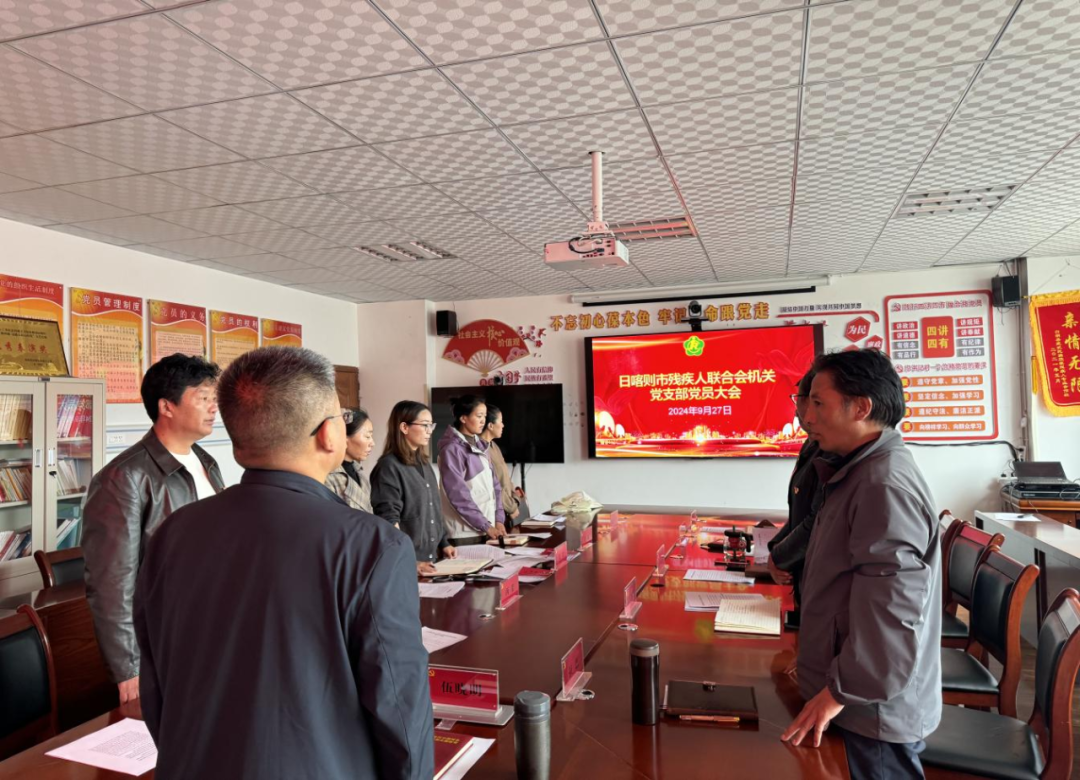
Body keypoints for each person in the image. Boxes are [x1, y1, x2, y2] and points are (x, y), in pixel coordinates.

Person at [134, 346, 433, 780]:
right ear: (328, 435)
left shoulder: (173, 533)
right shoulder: (372, 545)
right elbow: (400, 712)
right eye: (342, 415)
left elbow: (157, 688)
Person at [781, 349, 941, 780]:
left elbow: (891, 610)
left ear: (861, 407)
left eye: (819, 403)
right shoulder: (858, 470)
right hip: (854, 693)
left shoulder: (882, 483)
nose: (807, 417)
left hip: (870, 709)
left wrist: (839, 691)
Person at [82, 353, 224, 705]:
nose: (213, 407)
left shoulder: (206, 462)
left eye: (214, 398)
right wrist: (128, 668)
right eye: (203, 397)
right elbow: (112, 582)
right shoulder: (124, 477)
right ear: (167, 406)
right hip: (165, 637)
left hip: (211, 624)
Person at [767, 369, 829, 625]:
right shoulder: (812, 445)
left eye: (812, 401)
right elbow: (799, 512)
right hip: (805, 578)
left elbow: (816, 520)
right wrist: (775, 550)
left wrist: (779, 557)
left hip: (820, 582)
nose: (799, 410)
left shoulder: (833, 451)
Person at [371, 400, 457, 574]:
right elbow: (388, 521)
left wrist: (443, 543)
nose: (429, 431)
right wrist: (411, 562)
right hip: (408, 563)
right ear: (404, 427)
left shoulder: (424, 463)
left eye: (431, 425)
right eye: (424, 425)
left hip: (432, 560)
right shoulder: (388, 467)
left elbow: (433, 509)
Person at [437, 394, 506, 544]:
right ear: (463, 418)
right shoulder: (452, 449)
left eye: (485, 416)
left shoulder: (481, 445)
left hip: (486, 528)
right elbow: (458, 495)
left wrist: (499, 519)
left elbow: (495, 486)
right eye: (479, 416)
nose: (483, 421)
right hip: (464, 533)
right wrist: (486, 525)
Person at [479, 404, 524, 526]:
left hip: (507, 511)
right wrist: (511, 507)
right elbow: (493, 485)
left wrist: (514, 500)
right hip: (495, 516)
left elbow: (506, 480)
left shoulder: (494, 446)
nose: (503, 425)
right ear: (490, 425)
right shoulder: (481, 450)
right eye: (501, 421)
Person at [325, 407, 374, 512]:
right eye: (367, 436)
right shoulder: (328, 476)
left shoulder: (359, 473)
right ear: (344, 437)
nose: (372, 443)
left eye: (371, 436)